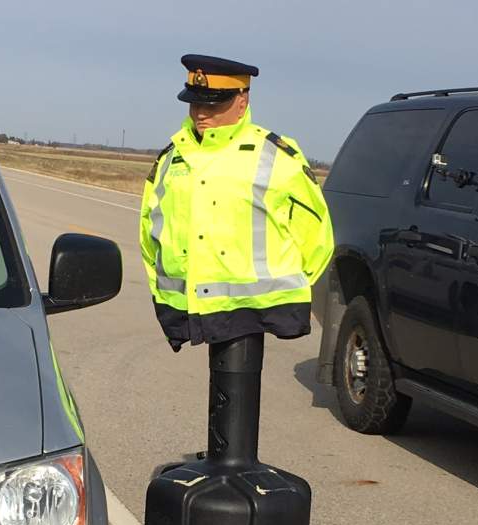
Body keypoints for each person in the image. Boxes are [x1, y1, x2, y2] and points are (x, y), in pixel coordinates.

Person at [139, 54, 333, 350]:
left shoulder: (275, 156)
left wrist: (286, 291)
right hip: (184, 308)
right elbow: (149, 231)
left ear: (241, 102)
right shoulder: (171, 157)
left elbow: (316, 235)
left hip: (259, 312)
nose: (201, 113)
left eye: (213, 105)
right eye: (195, 104)